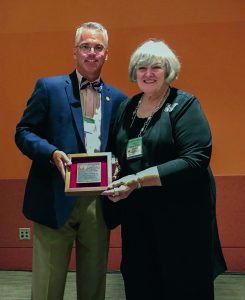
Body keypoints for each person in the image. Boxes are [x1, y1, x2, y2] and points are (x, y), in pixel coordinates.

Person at [102, 39, 227, 300]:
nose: (148, 74)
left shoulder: (185, 105)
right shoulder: (127, 107)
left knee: (183, 285)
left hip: (181, 219)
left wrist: (136, 179)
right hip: (138, 218)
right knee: (140, 282)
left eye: (156, 67)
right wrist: (111, 175)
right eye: (141, 67)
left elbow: (195, 159)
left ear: (168, 70)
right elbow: (117, 154)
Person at [15, 22, 127, 300]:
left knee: (93, 285)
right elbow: (23, 132)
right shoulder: (49, 87)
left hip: (98, 202)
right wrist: (51, 152)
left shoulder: (120, 99)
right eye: (85, 46)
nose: (92, 52)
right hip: (54, 197)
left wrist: (118, 165)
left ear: (106, 54)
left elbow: (121, 148)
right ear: (75, 51)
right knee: (47, 287)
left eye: (98, 47)